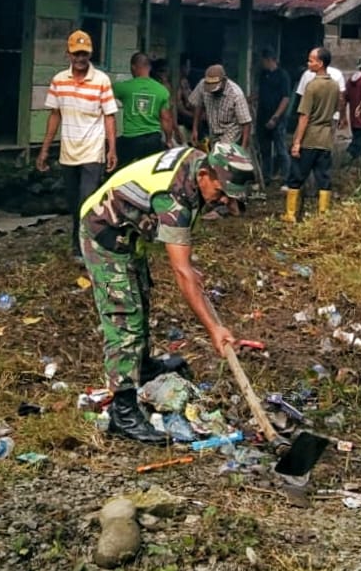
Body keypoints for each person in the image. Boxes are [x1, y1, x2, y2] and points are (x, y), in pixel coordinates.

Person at [79, 142, 255, 443]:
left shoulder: (198, 169)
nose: (224, 202)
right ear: (205, 174)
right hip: (104, 232)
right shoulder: (173, 196)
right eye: (222, 193)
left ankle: (142, 366)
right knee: (125, 318)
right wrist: (214, 329)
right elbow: (181, 272)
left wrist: (190, 273)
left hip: (130, 232)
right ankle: (123, 409)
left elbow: (184, 261)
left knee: (141, 299)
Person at [36, 30, 118, 262]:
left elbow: (109, 116)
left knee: (87, 200)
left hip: (93, 150)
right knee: (74, 203)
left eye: (84, 54)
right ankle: (79, 243)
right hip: (68, 151)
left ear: (90, 54)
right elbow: (55, 115)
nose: (80, 58)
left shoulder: (101, 80)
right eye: (76, 54)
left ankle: (86, 247)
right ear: (68, 55)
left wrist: (112, 148)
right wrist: (44, 149)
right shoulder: (59, 80)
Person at [284, 47, 340, 223]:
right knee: (323, 177)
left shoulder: (312, 86)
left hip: (310, 138)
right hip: (326, 138)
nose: (308, 63)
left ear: (320, 63)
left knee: (297, 176)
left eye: (311, 60)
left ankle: (291, 214)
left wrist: (297, 142)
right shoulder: (334, 86)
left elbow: (304, 116)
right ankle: (323, 214)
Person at [113, 52, 175, 167]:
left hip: (131, 140)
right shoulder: (162, 90)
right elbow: (166, 119)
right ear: (149, 67)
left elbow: (104, 94)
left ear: (133, 67)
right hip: (154, 140)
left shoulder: (124, 87)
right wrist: (169, 140)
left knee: (120, 170)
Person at [189, 64, 252, 148]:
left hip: (230, 131)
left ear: (224, 81)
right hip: (213, 131)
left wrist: (243, 147)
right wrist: (195, 129)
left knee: (221, 155)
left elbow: (246, 123)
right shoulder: (202, 85)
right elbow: (198, 105)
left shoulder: (236, 94)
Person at [255, 48, 291, 184]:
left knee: (281, 149)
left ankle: (287, 178)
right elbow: (262, 93)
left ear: (269, 60)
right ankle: (267, 177)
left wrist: (275, 117)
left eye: (263, 60)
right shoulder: (263, 75)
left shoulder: (283, 75)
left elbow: (285, 98)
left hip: (277, 119)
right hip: (262, 117)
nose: (261, 63)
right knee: (265, 150)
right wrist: (250, 99)